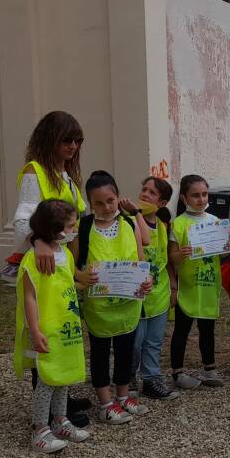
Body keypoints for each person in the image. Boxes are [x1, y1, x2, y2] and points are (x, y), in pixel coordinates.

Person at [4, 110, 90, 427]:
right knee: (44, 327)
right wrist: (38, 241)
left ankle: (60, 397)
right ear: (49, 139)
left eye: (77, 141)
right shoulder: (35, 172)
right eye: (67, 140)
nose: (73, 146)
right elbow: (24, 217)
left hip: (63, 262)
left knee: (63, 326)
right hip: (44, 263)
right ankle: (47, 413)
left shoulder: (64, 173)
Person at [75, 171, 153, 425]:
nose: (106, 207)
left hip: (128, 303)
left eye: (110, 200)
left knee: (125, 352)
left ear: (118, 197)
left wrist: (146, 279)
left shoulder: (129, 224)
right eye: (98, 203)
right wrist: (81, 278)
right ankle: (105, 403)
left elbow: (141, 259)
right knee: (99, 353)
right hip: (99, 307)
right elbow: (70, 264)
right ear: (89, 203)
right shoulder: (83, 228)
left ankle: (122, 396)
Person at [13, 199, 89, 454]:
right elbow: (30, 296)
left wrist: (89, 282)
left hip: (67, 327)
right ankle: (39, 430)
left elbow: (67, 284)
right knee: (46, 380)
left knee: (64, 376)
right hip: (47, 328)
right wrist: (35, 331)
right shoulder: (32, 259)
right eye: (70, 225)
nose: (74, 229)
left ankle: (60, 420)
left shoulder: (65, 254)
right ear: (55, 228)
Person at [168, 174, 224, 388]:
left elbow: (223, 252)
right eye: (195, 195)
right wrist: (181, 254)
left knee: (207, 328)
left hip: (208, 284)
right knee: (182, 329)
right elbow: (171, 257)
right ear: (184, 198)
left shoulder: (215, 222)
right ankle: (177, 372)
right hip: (187, 286)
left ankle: (209, 368)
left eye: (204, 194)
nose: (201, 199)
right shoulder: (179, 224)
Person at [130, 176, 178, 401]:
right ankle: (127, 378)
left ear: (162, 202)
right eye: (143, 189)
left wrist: (173, 285)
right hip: (136, 295)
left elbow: (165, 259)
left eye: (151, 192)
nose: (144, 194)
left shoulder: (162, 225)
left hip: (159, 294)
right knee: (135, 342)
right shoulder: (129, 222)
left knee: (154, 341)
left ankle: (151, 379)